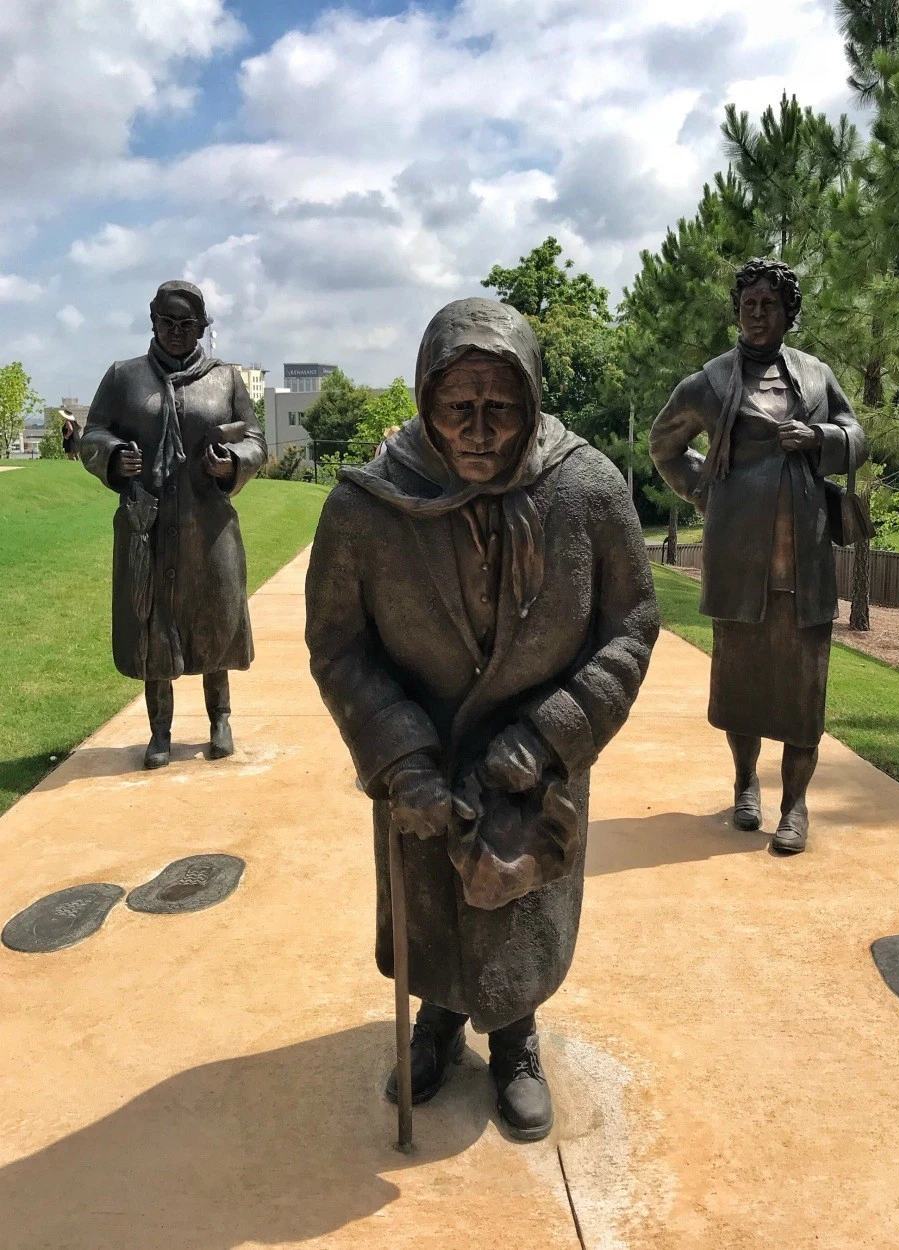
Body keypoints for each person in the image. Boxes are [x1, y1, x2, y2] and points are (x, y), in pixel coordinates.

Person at [305, 297, 658, 1140]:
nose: (478, 430)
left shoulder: (589, 488)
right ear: (426, 401)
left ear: (531, 401)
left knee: (519, 910)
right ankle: (437, 1021)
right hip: (425, 757)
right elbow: (338, 645)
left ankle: (515, 1039)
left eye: (500, 407)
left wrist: (550, 736)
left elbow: (632, 625)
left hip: (537, 763)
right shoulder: (367, 507)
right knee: (432, 906)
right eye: (456, 407)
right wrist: (400, 758)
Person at [649, 258, 868, 854]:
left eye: (769, 304)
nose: (757, 313)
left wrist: (820, 437)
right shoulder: (711, 382)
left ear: (788, 313)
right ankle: (746, 785)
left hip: (805, 564)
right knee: (740, 687)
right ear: (737, 310)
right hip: (739, 562)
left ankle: (795, 807)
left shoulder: (816, 377)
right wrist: (704, 491)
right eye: (748, 304)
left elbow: (857, 433)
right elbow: (663, 444)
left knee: (803, 697)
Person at [80, 280, 266, 769]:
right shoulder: (125, 377)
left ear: (203, 326)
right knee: (152, 622)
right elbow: (93, 433)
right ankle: (159, 732)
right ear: (153, 322)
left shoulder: (226, 379)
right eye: (169, 322)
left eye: (188, 323)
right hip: (150, 524)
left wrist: (234, 463)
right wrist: (115, 456)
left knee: (216, 618)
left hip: (209, 524)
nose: (178, 332)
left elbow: (256, 439)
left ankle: (219, 719)